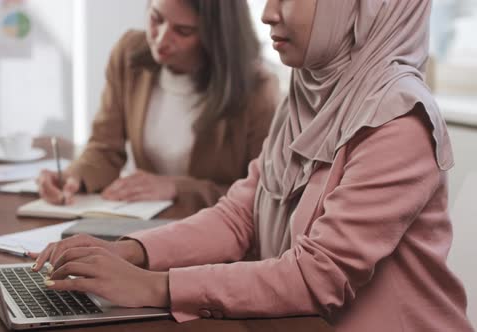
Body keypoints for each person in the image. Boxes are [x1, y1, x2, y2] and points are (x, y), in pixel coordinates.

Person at [31, 0, 474, 331]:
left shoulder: (400, 120)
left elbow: (315, 277)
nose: (267, 13)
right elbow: (239, 215)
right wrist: (127, 251)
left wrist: (154, 285)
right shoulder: (309, 93)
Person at [37, 0, 279, 215]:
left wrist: (175, 188)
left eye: (183, 31)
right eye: (156, 18)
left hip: (213, 238)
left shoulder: (257, 89)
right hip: (140, 224)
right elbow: (104, 149)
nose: (161, 39)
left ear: (215, 36)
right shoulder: (128, 54)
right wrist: (74, 177)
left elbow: (260, 195)